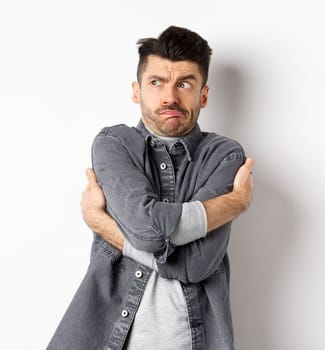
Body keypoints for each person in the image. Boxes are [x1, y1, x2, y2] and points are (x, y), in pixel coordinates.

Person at [47, 25, 253, 350]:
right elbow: (148, 233)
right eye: (156, 82)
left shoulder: (224, 155)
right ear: (136, 90)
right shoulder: (113, 144)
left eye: (184, 83)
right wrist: (234, 203)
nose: (170, 96)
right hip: (103, 338)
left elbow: (195, 265)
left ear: (204, 95)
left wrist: (109, 230)